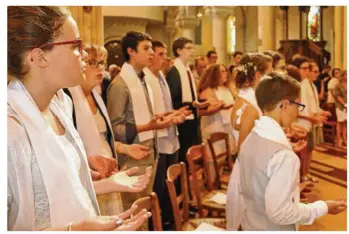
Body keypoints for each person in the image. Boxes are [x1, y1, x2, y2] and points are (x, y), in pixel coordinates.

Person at [8, 6, 150, 231]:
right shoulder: (9, 131)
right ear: (40, 57)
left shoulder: (58, 107)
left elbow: (64, 188)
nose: (84, 54)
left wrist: (104, 184)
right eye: (75, 45)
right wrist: (77, 229)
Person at [236, 72, 347, 230]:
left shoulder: (251, 138)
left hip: (251, 223)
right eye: (299, 106)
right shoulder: (283, 156)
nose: (297, 113)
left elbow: (257, 181)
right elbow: (280, 213)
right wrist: (323, 207)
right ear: (285, 105)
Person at [63, 44, 155, 216]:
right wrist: (89, 161)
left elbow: (103, 138)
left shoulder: (97, 96)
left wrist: (125, 148)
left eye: (102, 63)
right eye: (92, 62)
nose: (99, 68)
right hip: (88, 175)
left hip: (107, 169)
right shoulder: (67, 98)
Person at [107, 31, 174, 211]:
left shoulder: (143, 79)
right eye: (146, 48)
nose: (151, 52)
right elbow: (114, 129)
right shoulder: (120, 85)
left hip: (150, 152)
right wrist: (148, 126)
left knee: (145, 207)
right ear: (131, 51)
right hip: (132, 158)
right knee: (133, 209)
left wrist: (158, 119)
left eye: (151, 48)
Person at [144, 40, 190, 229]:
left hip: (170, 134)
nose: (165, 59)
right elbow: (151, 114)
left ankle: (170, 216)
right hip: (159, 138)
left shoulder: (160, 76)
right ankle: (160, 221)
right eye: (160, 54)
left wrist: (175, 114)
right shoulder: (146, 78)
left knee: (170, 180)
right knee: (160, 184)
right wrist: (170, 118)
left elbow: (165, 108)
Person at [166, 37, 208, 167]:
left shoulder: (186, 69)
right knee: (183, 154)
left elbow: (190, 94)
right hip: (182, 119)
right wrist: (192, 104)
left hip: (191, 117)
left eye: (192, 48)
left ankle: (189, 182)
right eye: (188, 48)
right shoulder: (174, 71)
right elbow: (173, 99)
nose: (193, 51)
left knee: (191, 152)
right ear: (178, 51)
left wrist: (197, 102)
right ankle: (183, 184)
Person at [197, 63, 235, 187]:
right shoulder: (208, 90)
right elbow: (202, 111)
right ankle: (210, 186)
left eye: (225, 71)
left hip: (225, 127)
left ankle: (216, 184)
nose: (225, 74)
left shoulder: (226, 88)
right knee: (212, 161)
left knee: (222, 159)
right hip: (212, 127)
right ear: (214, 74)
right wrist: (219, 106)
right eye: (221, 72)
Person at [332, 70, 347, 148]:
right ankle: (338, 140)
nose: (347, 76)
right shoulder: (338, 86)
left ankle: (344, 138)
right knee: (339, 122)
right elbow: (338, 97)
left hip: (347, 107)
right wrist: (344, 104)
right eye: (346, 75)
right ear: (342, 76)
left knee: (345, 123)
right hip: (340, 106)